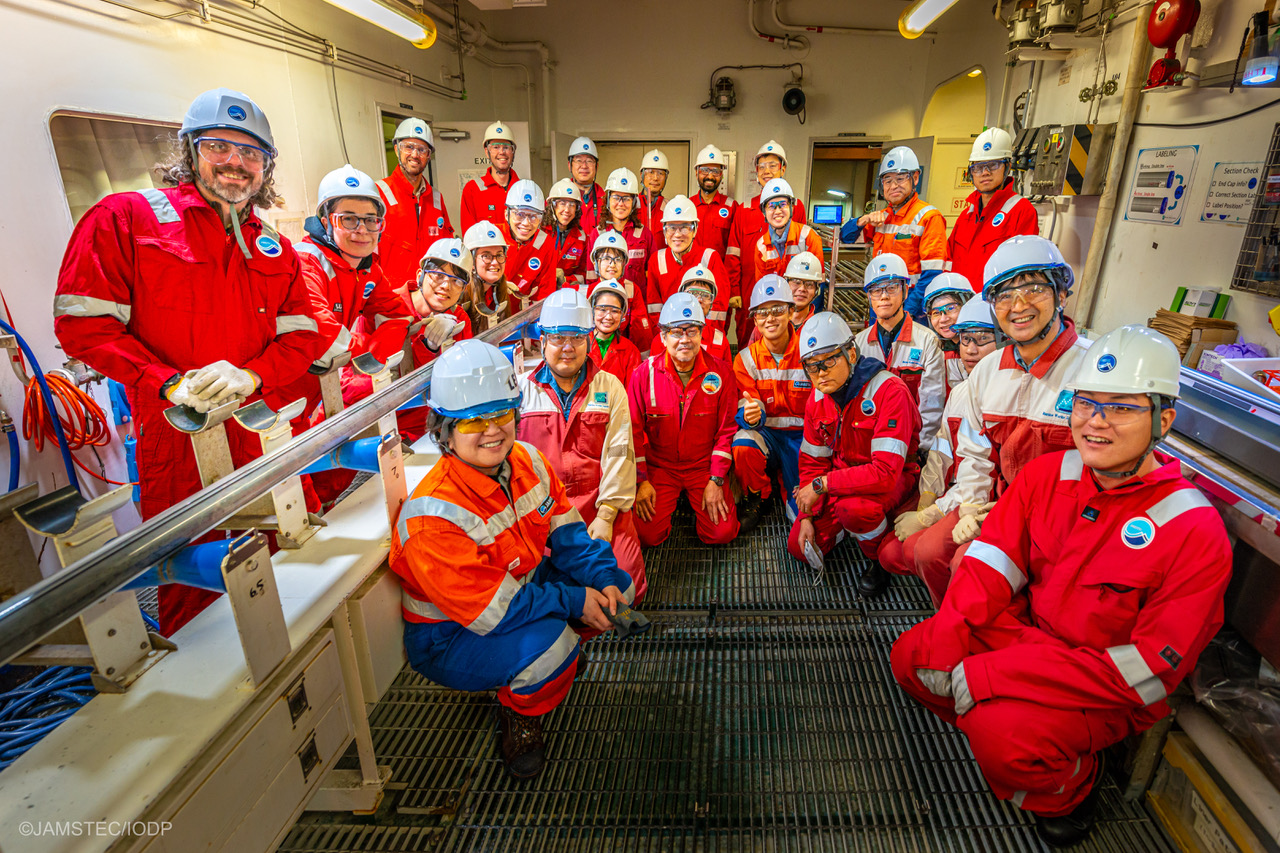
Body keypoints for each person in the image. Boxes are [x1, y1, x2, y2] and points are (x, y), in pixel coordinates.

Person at [891, 325, 1231, 848]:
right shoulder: (1048, 476)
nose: (1095, 422)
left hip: (1098, 680)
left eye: (1120, 408)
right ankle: (1005, 719)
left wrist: (993, 675)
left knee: (1001, 739)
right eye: (1085, 402)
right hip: (1029, 639)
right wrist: (951, 633)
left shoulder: (1192, 530)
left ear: (1164, 419)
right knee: (914, 655)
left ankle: (1070, 787)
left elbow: (1149, 671)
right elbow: (989, 562)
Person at [52, 88, 322, 634]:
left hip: (259, 428)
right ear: (190, 150)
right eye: (220, 146)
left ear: (265, 167)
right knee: (197, 582)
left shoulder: (272, 247)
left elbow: (304, 335)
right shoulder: (127, 219)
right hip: (178, 438)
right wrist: (168, 383)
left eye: (251, 154)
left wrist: (253, 375)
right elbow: (82, 324)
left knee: (291, 558)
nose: (235, 164)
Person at [390, 339, 636, 780]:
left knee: (618, 582)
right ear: (443, 429)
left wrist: (601, 578)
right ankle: (519, 712)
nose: (493, 430)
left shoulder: (526, 460)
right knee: (554, 646)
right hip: (451, 635)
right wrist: (572, 600)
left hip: (515, 590)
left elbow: (569, 537)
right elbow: (494, 613)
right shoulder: (434, 514)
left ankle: (544, 663)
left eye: (501, 414)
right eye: (473, 420)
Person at [904, 235, 1088, 598]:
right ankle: (957, 624)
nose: (1018, 305)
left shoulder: (1090, 372)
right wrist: (970, 505)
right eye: (1004, 294)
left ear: (1061, 294)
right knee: (927, 555)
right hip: (996, 505)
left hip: (1064, 521)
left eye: (1034, 288)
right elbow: (975, 453)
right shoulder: (989, 372)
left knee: (971, 572)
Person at [517, 290, 646, 600]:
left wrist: (606, 515)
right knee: (543, 586)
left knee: (627, 588)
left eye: (576, 337)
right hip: (545, 515)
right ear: (543, 339)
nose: (567, 348)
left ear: (589, 339)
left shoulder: (609, 386)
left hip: (600, 504)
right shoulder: (522, 392)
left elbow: (620, 452)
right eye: (558, 337)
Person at [788, 313, 919, 597]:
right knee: (801, 547)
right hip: (840, 479)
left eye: (828, 361)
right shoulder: (818, 397)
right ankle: (851, 530)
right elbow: (813, 461)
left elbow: (884, 474)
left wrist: (822, 485)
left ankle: (877, 557)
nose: (820, 373)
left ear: (851, 352)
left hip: (890, 482)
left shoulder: (889, 391)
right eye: (811, 366)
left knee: (855, 510)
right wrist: (808, 515)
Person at [879, 298, 999, 606]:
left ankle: (950, 610)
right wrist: (927, 496)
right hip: (954, 492)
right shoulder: (961, 392)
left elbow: (981, 479)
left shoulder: (1004, 398)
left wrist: (933, 514)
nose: (970, 350)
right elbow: (942, 451)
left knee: (922, 551)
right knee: (890, 553)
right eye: (965, 339)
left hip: (979, 503)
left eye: (983, 339)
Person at [282, 164, 411, 428]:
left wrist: (372, 357)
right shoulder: (307, 262)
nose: (362, 229)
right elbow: (322, 336)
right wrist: (366, 350)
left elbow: (398, 317)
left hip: (319, 390)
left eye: (371, 219)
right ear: (326, 221)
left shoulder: (365, 267)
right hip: (283, 397)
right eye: (349, 219)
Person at [628, 293, 740, 547]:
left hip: (703, 467)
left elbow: (726, 431)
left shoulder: (721, 373)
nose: (685, 340)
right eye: (677, 332)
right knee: (644, 535)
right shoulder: (643, 374)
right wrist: (641, 481)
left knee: (722, 533)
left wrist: (716, 479)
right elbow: (632, 431)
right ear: (663, 336)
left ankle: (696, 500)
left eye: (692, 331)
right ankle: (675, 501)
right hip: (660, 467)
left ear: (702, 333)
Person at [731, 275, 811, 532]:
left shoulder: (810, 353)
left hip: (801, 439)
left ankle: (788, 488)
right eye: (762, 313)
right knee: (743, 443)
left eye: (777, 310)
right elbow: (747, 405)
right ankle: (759, 495)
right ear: (755, 319)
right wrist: (750, 415)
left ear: (791, 311)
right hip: (766, 434)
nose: (770, 318)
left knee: (802, 515)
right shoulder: (745, 359)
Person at [854, 254, 945, 455]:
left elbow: (932, 405)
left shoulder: (927, 341)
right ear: (868, 297)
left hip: (911, 447)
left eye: (891, 287)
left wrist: (918, 450)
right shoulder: (858, 344)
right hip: (868, 447)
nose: (884, 296)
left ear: (905, 291)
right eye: (876, 290)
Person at [842, 145, 947, 319]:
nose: (893, 186)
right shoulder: (881, 218)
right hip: (880, 305)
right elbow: (846, 237)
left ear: (915, 178)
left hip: (911, 308)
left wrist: (907, 313)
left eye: (900, 178)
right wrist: (863, 220)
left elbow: (932, 274)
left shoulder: (929, 217)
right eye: (887, 180)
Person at [393, 238, 474, 442]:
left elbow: (465, 377)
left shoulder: (459, 319)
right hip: (390, 431)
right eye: (438, 275)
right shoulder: (389, 311)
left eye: (457, 281)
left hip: (438, 427)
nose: (446, 286)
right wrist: (428, 346)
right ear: (420, 276)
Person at [727, 140, 808, 338]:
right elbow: (733, 251)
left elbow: (803, 253)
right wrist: (734, 290)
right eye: (761, 167)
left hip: (785, 288)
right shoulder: (744, 209)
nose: (766, 171)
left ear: (783, 169)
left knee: (785, 337)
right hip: (749, 288)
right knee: (747, 338)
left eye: (772, 165)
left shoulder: (796, 208)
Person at [947, 128, 1039, 293]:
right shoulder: (966, 216)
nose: (985, 173)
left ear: (1008, 167)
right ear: (971, 172)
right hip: (960, 306)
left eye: (993, 165)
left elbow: (1024, 272)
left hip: (995, 308)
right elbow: (948, 262)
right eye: (978, 167)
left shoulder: (1022, 211)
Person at [376, 118, 455, 293]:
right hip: (391, 298)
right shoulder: (378, 194)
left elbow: (447, 248)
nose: (415, 154)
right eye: (409, 147)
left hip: (430, 298)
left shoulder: (436, 198)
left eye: (422, 150)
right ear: (397, 149)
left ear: (428, 156)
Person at [644, 195, 729, 337]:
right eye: (671, 228)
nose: (677, 234)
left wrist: (700, 338)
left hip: (703, 337)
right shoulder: (656, 260)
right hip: (669, 338)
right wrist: (666, 339)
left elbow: (718, 311)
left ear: (694, 230)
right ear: (664, 231)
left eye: (684, 228)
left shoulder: (710, 259)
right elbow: (654, 309)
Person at [745, 179, 824, 294]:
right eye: (771, 206)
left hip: (804, 306)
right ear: (764, 212)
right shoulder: (761, 246)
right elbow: (762, 288)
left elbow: (817, 286)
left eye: (783, 205)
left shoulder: (809, 237)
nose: (777, 211)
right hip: (776, 306)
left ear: (791, 208)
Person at [592, 167, 657, 292]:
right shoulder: (597, 235)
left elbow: (652, 279)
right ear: (608, 200)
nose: (621, 203)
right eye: (616, 197)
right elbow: (591, 279)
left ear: (634, 203)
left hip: (636, 305)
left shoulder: (645, 236)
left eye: (626, 198)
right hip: (606, 306)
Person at [500, 180, 556, 313]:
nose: (526, 223)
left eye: (533, 216)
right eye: (519, 214)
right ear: (506, 214)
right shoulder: (494, 237)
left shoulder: (545, 243)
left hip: (524, 315)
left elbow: (545, 292)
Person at [587, 230, 650, 347]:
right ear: (595, 263)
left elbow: (640, 333)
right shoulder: (588, 292)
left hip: (622, 352)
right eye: (606, 258)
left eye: (618, 259)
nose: (612, 265)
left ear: (624, 263)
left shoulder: (631, 290)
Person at [460, 121, 520, 232]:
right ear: (487, 152)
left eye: (506, 147)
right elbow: (469, 236)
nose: (502, 152)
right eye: (496, 147)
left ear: (513, 152)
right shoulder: (473, 190)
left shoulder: (523, 189)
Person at [920, 273, 975, 393]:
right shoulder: (939, 352)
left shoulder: (989, 345)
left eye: (950, 308)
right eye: (936, 313)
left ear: (968, 305)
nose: (943, 319)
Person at [586, 279, 643, 385]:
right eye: (602, 309)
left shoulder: (630, 352)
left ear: (622, 315)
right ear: (592, 310)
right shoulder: (580, 345)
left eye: (615, 311)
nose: (608, 317)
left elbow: (631, 394)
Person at [461, 220, 510, 333]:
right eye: (486, 256)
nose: (494, 262)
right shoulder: (460, 296)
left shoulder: (499, 291)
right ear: (471, 261)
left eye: (499, 255)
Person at [690, 144, 738, 258]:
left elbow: (734, 249)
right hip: (690, 273)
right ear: (697, 173)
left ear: (721, 175)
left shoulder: (732, 207)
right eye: (705, 170)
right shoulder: (688, 205)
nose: (710, 176)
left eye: (715, 171)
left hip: (719, 273)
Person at [676, 266, 731, 361]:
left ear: (711, 303)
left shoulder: (720, 341)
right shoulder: (663, 339)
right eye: (693, 293)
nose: (699, 300)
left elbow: (727, 375)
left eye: (705, 295)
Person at [543, 179, 588, 287]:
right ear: (552, 206)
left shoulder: (581, 238)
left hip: (569, 293)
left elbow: (583, 275)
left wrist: (565, 279)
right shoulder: (540, 234)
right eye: (562, 203)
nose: (567, 210)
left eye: (572, 204)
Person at [567, 136, 604, 231]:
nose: (584, 166)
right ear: (569, 165)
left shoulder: (606, 201)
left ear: (597, 166)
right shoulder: (557, 199)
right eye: (579, 160)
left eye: (589, 161)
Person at [783, 250, 823, 332]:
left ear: (817, 290)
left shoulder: (820, 330)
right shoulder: (769, 324)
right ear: (786, 284)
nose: (802, 289)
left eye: (809, 284)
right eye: (796, 282)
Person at [639, 148, 669, 247]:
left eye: (660, 173)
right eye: (651, 172)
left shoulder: (670, 208)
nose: (655, 178)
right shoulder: (631, 205)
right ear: (641, 175)